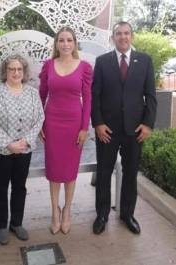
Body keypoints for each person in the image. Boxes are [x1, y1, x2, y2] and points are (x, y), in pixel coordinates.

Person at [91, 21, 157, 235]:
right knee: (103, 173)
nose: (123, 37)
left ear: (132, 36)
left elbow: (151, 96)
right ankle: (101, 215)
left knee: (130, 173)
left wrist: (148, 124)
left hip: (135, 130)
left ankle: (127, 214)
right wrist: (98, 123)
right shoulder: (102, 62)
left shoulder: (145, 61)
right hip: (107, 130)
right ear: (113, 37)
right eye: (118, 34)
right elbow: (95, 95)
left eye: (126, 33)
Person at [0, 54, 44, 245]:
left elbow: (39, 119)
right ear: (5, 71)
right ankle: (2, 225)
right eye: (12, 69)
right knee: (1, 187)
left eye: (19, 69)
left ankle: (16, 223)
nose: (16, 72)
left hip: (24, 150)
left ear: (24, 72)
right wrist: (9, 144)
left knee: (19, 187)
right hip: (1, 151)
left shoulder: (33, 93)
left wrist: (25, 141)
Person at [39, 26, 92, 234]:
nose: (65, 44)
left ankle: (67, 210)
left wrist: (84, 127)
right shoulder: (48, 65)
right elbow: (41, 96)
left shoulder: (85, 67)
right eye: (61, 40)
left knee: (70, 171)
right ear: (56, 43)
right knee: (53, 171)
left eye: (69, 40)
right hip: (52, 123)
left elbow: (87, 99)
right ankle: (54, 211)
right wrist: (40, 124)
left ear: (75, 43)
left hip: (74, 125)